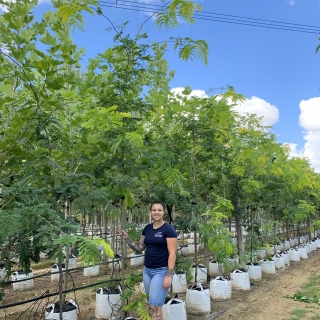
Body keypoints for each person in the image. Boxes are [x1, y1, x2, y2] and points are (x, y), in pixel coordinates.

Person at [118, 200, 177, 320]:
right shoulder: (147, 229)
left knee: (153, 307)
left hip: (161, 272)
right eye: (154, 210)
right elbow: (139, 248)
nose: (156, 212)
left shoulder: (168, 229)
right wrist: (127, 238)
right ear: (150, 212)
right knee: (155, 305)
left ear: (163, 212)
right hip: (147, 271)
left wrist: (168, 275)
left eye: (159, 210)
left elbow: (172, 253)